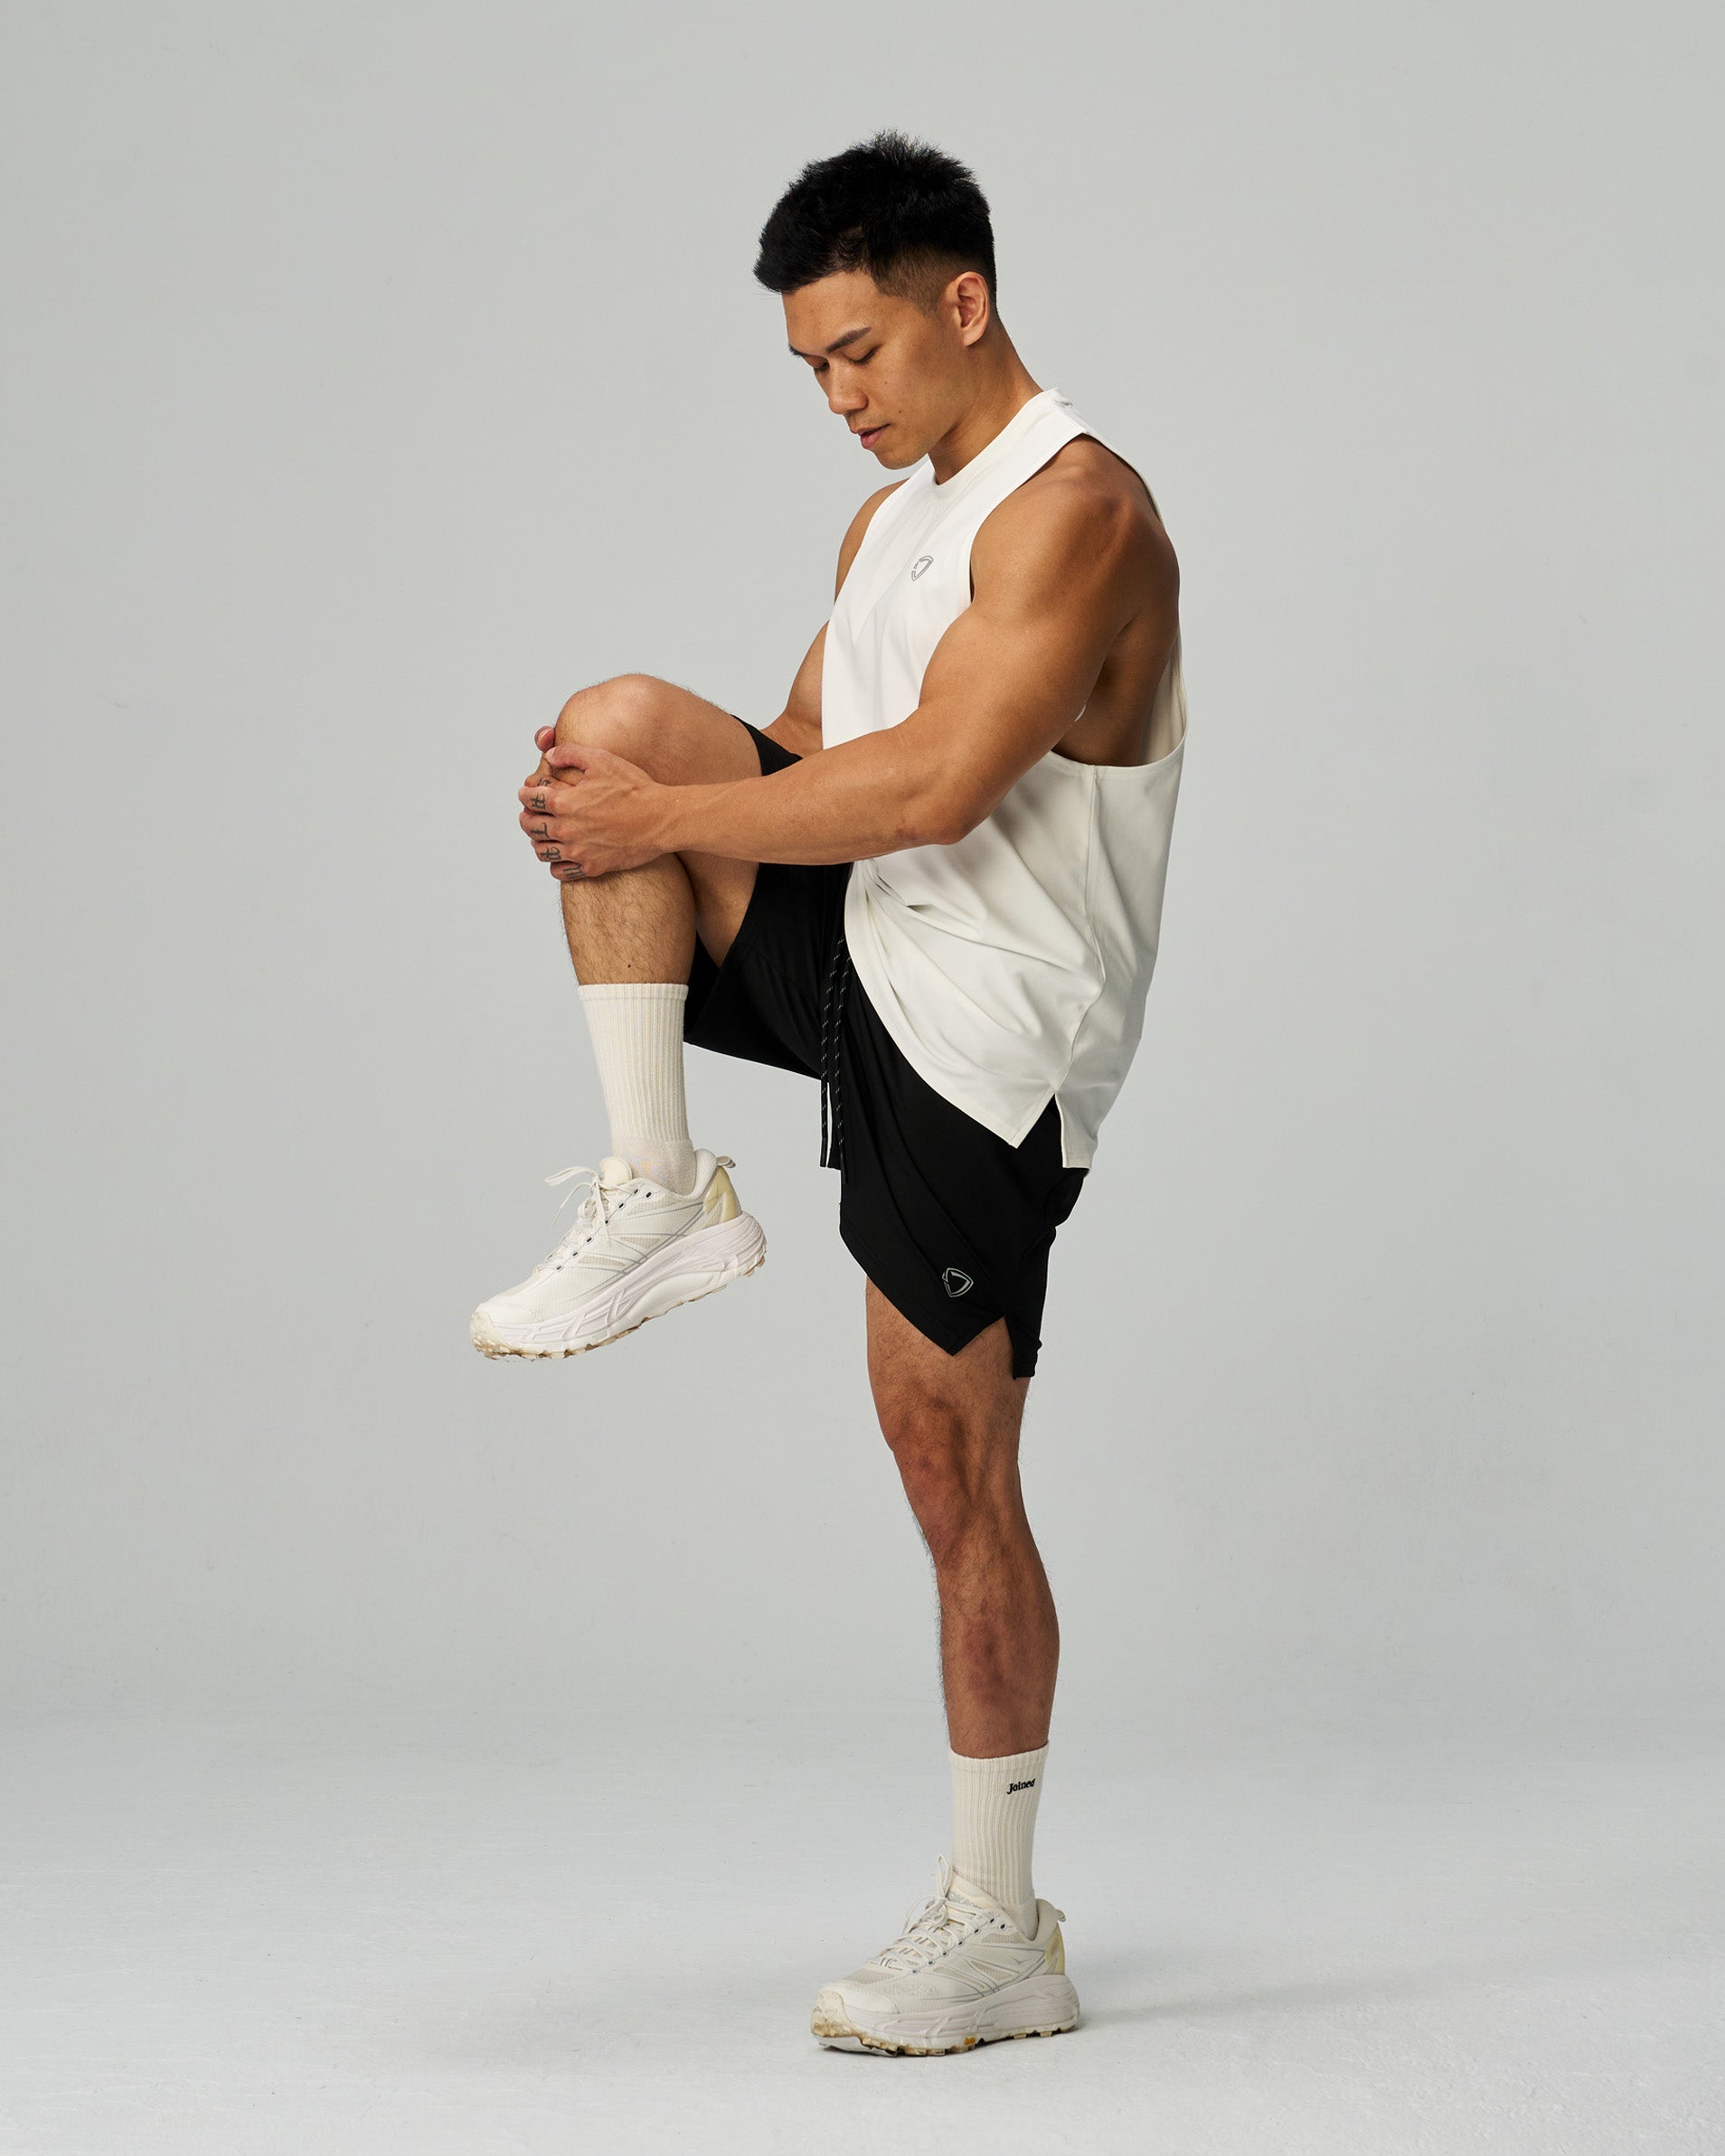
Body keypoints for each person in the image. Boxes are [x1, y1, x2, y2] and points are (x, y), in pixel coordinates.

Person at [472, 130, 1187, 2056]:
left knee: (950, 1469)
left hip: (990, 1034)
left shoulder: (1079, 512)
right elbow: (802, 750)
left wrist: (666, 817)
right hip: (864, 952)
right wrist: (627, 805)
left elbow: (938, 783)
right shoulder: (889, 527)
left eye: (860, 350)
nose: (839, 395)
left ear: (966, 300)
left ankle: (1002, 1921)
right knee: (618, 725)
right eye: (810, 367)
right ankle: (660, 1185)